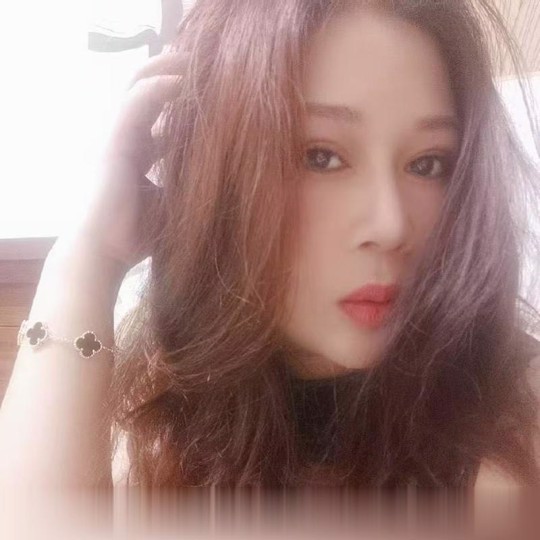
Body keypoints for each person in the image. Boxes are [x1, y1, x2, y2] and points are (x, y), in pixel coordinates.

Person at [1, 0, 539, 492]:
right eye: (320, 156)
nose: (393, 225)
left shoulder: (506, 426)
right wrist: (89, 254)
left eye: (428, 163)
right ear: (224, 172)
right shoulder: (155, 410)